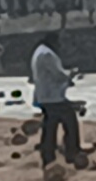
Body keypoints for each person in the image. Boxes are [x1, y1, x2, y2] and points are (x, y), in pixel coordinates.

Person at [32, 32, 82, 167]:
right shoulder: (47, 54)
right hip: (53, 97)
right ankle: (72, 152)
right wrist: (71, 74)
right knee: (70, 121)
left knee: (50, 126)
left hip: (45, 96)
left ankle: (48, 156)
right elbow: (58, 74)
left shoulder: (39, 52)